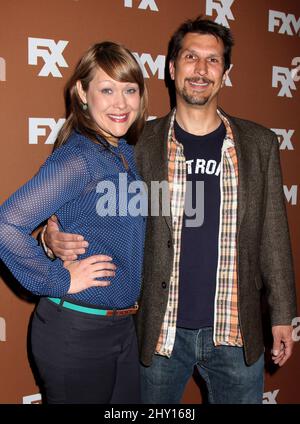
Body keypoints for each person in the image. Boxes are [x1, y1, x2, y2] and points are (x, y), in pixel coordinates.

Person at [44, 17, 297, 404]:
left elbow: (274, 236)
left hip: (234, 329)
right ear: (171, 67)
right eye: (191, 57)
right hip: (158, 330)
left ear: (226, 73)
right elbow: (93, 208)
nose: (200, 69)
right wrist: (50, 236)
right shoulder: (138, 142)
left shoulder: (259, 143)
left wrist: (281, 314)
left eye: (213, 61)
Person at [0, 41, 148, 404]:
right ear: (82, 92)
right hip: (77, 332)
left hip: (123, 328)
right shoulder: (80, 157)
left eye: (130, 90)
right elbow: (6, 226)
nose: (121, 103)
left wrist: (52, 238)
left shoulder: (125, 153)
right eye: (107, 89)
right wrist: (59, 278)